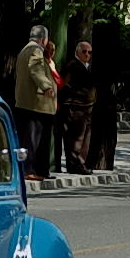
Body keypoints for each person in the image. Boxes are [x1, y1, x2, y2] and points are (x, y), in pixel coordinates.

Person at [14, 25, 57, 181]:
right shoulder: (35, 50)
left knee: (36, 138)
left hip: (28, 102)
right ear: (43, 39)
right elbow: (36, 69)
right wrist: (46, 86)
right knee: (33, 139)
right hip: (36, 104)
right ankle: (29, 170)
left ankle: (40, 170)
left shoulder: (25, 49)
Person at [59, 41, 95, 174]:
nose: (87, 54)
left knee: (85, 137)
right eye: (84, 51)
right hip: (76, 108)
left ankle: (80, 163)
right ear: (77, 52)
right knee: (76, 138)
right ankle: (75, 164)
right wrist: (71, 100)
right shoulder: (73, 65)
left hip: (86, 108)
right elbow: (64, 84)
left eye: (89, 52)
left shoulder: (87, 66)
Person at [45, 39, 64, 173]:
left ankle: (55, 163)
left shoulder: (52, 63)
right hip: (47, 102)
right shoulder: (44, 63)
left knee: (56, 134)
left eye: (53, 50)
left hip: (55, 102)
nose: (51, 52)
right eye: (49, 49)